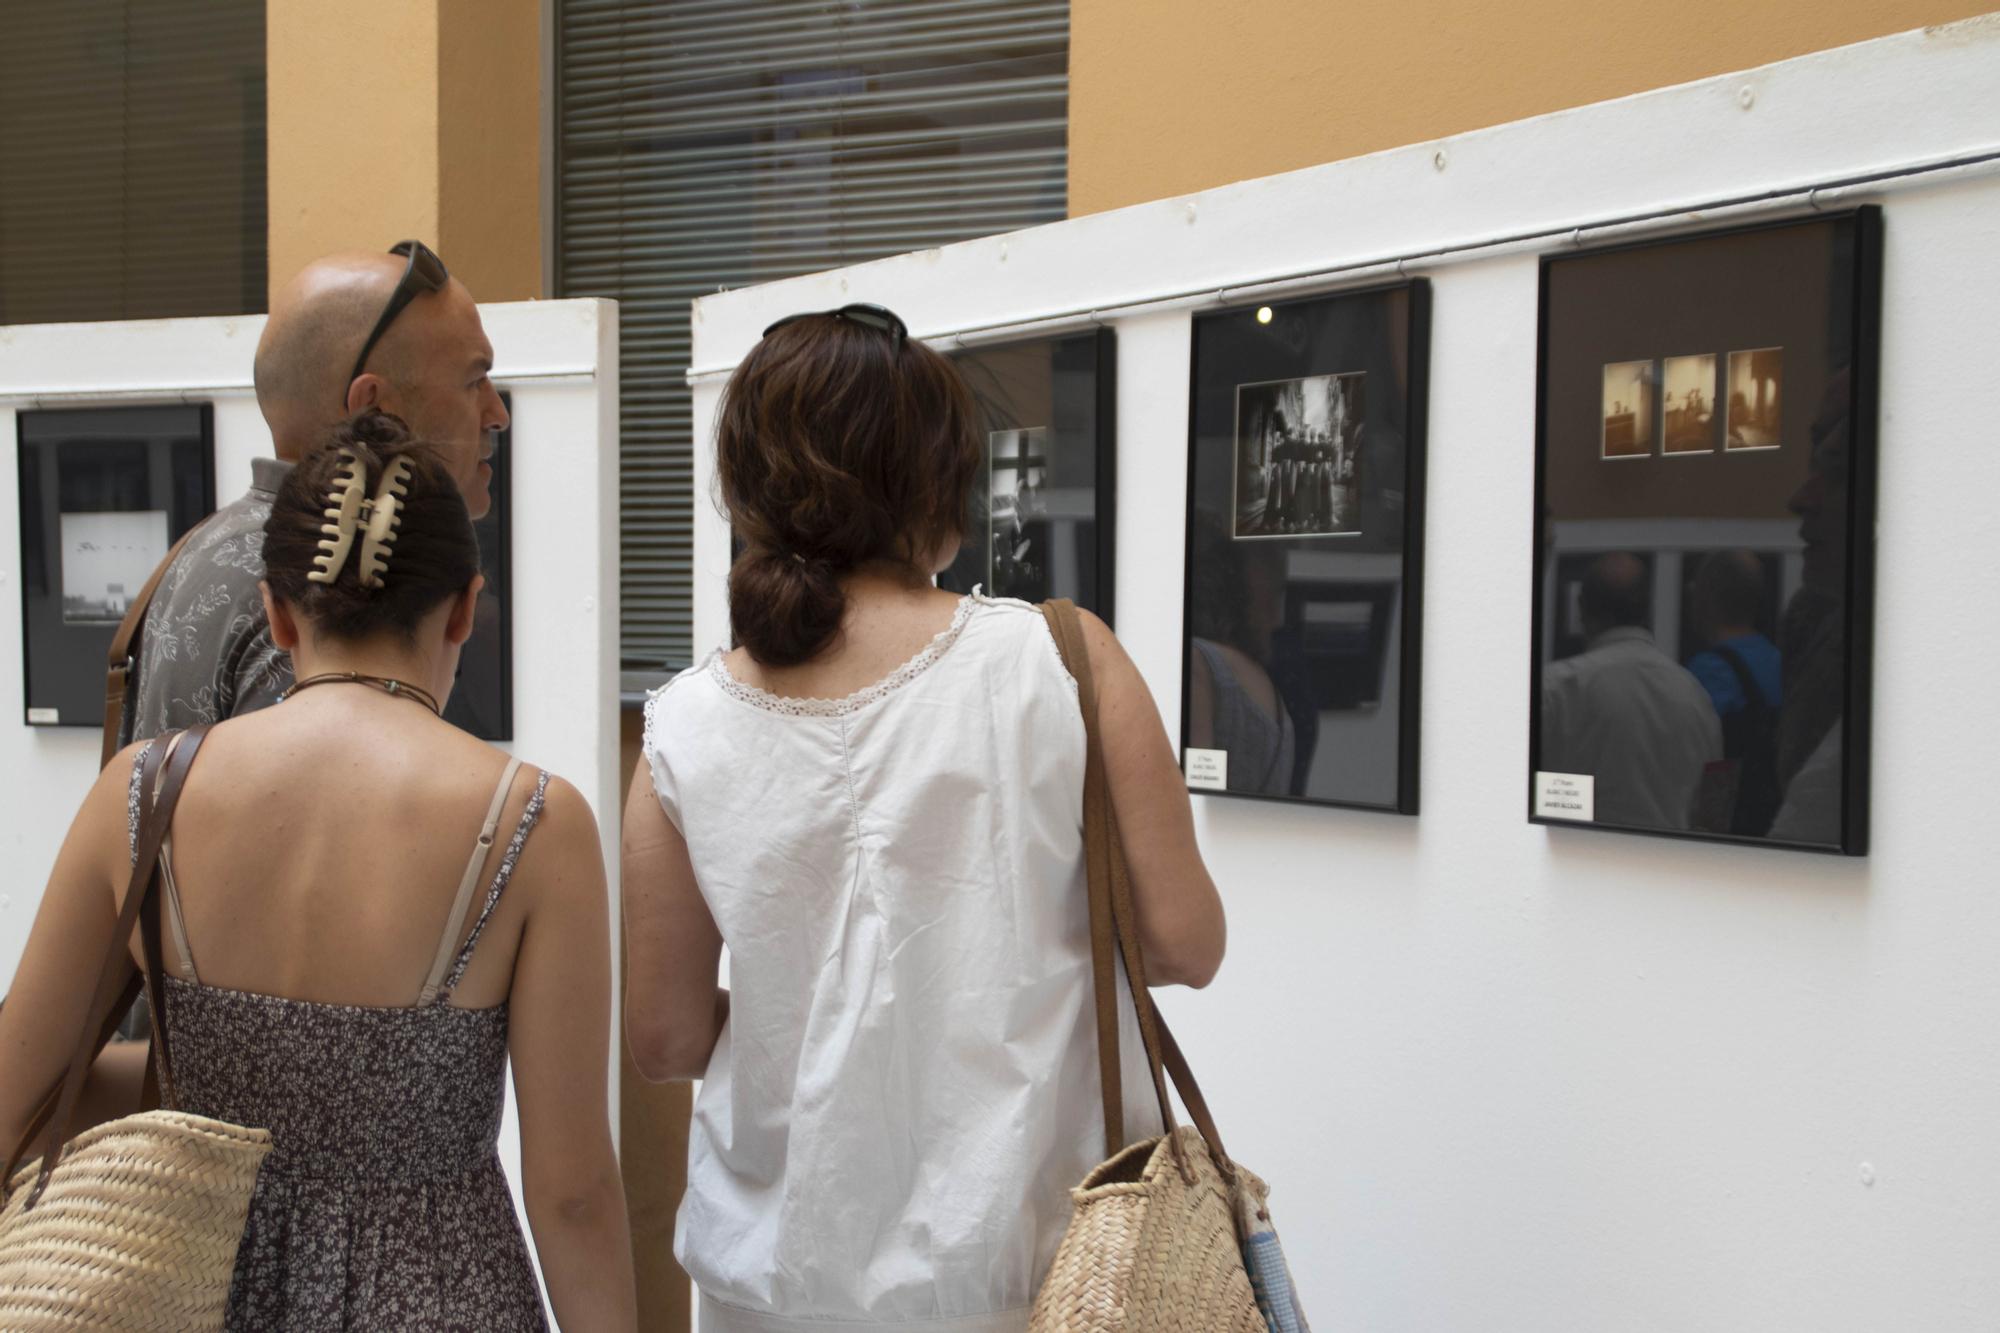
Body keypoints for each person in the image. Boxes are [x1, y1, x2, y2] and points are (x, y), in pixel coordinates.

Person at [623, 305, 1226, 1332]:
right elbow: (1182, 943)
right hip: (1044, 1267)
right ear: (937, 483)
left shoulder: (683, 726)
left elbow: (664, 1036)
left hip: (776, 1281)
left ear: (746, 488)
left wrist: (807, 1026)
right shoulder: (1061, 658)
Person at [0, 412, 635, 1331]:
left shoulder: (140, 797)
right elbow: (572, 1193)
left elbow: (19, 1089)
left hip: (194, 1289)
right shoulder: (533, 824)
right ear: (465, 608)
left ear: (275, 611)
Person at [120, 240, 509, 748]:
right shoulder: (327, 583)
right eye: (474, 380)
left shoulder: (207, 543)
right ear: (371, 408)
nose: (497, 413)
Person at [1541, 552, 1722, 830]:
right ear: (1646, 610)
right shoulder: (1695, 695)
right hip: (1669, 865)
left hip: (1577, 860)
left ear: (1581, 608)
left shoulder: (1556, 687)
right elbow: (1709, 810)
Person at [1684, 549, 1783, 836]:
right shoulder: (1781, 661)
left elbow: (1693, 756)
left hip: (1729, 825)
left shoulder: (1710, 671)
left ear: (1705, 597)